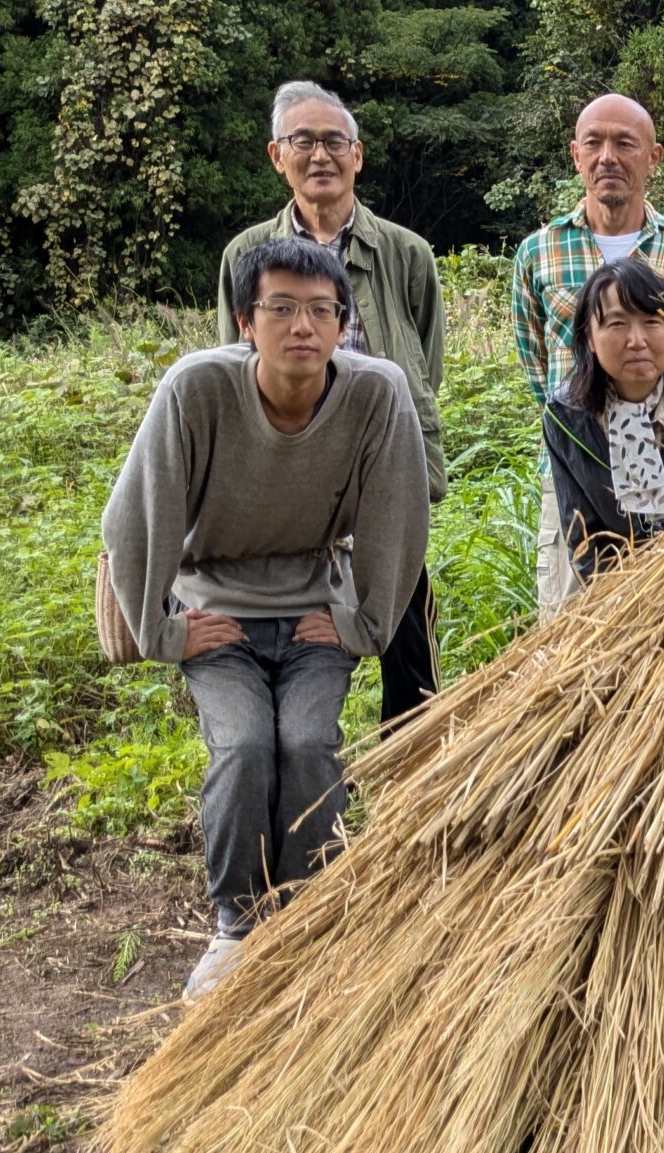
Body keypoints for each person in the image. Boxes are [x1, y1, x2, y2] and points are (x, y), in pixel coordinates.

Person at [103, 239, 429, 1001]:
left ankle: (301, 921)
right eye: (280, 309)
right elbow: (134, 520)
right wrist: (163, 630)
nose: (302, 327)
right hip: (218, 615)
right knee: (247, 745)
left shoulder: (376, 394)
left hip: (315, 612)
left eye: (322, 311)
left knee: (309, 743)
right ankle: (238, 927)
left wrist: (363, 625)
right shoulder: (197, 390)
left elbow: (398, 518)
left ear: (345, 325)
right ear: (246, 322)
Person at [216, 80, 447, 726]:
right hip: (283, 471)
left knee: (406, 636)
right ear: (276, 156)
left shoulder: (406, 253)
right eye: (303, 141)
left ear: (358, 155)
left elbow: (423, 364)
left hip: (383, 469)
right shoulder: (246, 255)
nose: (320, 155)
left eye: (334, 142)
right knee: (294, 627)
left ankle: (414, 771)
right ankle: (304, 761)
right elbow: (233, 366)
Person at [512, 93, 664, 617]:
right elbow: (536, 364)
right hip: (576, 471)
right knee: (575, 629)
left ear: (653, 157)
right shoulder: (537, 253)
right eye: (594, 143)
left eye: (625, 143)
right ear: (575, 155)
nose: (608, 156)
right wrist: (581, 415)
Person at [544, 258, 664, 586]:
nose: (637, 340)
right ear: (589, 337)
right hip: (618, 595)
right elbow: (585, 540)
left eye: (651, 321)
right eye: (617, 324)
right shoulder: (566, 419)